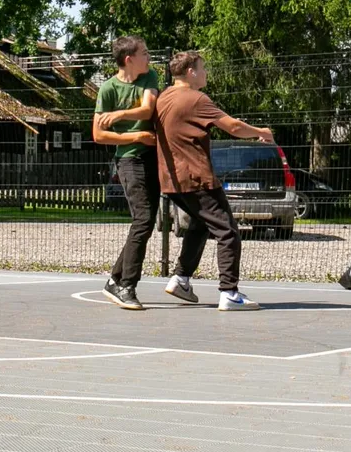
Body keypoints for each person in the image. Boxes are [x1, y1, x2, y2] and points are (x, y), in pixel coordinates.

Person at [155, 50, 274, 311]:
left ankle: (181, 278)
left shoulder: (163, 97)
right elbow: (233, 127)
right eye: (203, 67)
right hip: (196, 177)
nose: (206, 72)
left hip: (171, 180)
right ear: (191, 72)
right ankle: (229, 293)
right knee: (228, 231)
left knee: (200, 223)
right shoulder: (196, 99)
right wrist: (260, 132)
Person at [94, 37, 161, 311]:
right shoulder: (107, 89)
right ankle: (126, 286)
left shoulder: (149, 76)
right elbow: (99, 135)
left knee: (145, 222)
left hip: (152, 158)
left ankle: (115, 280)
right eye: (144, 53)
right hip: (129, 160)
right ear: (129, 59)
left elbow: (148, 109)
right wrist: (137, 137)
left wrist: (121, 115)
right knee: (143, 220)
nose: (149, 58)